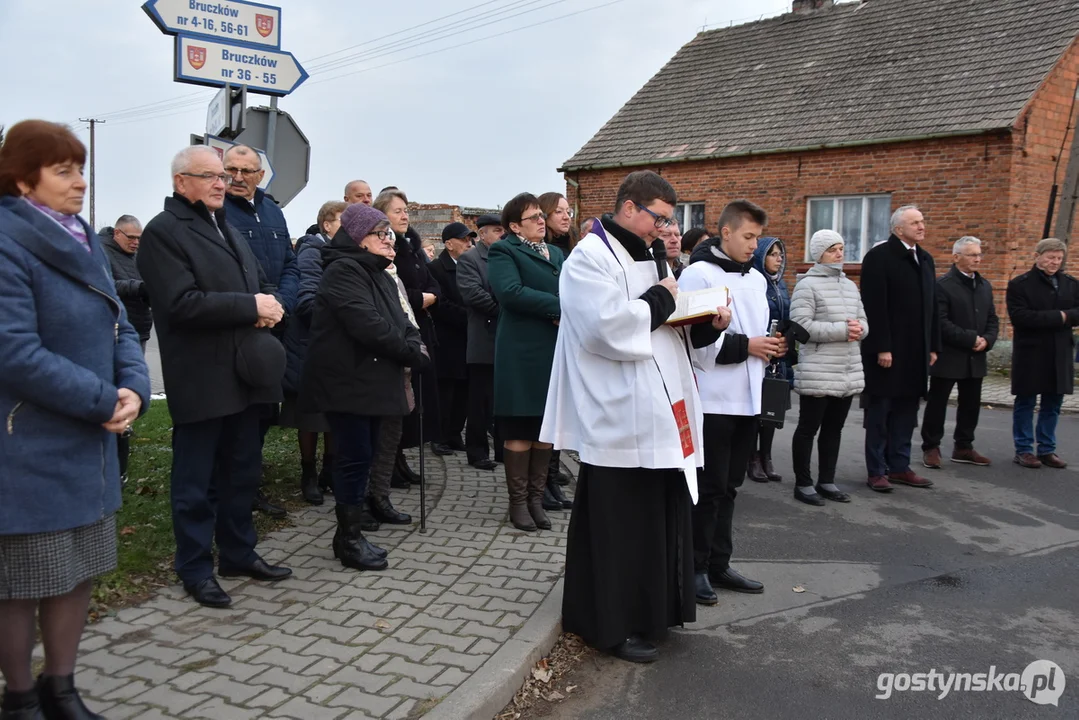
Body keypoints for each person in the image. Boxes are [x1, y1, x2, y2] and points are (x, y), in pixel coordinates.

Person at [543, 170, 730, 663]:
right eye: (660, 219)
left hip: (661, 409)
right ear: (630, 208)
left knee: (656, 519)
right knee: (617, 526)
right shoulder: (590, 257)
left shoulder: (649, 254)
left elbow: (667, 328)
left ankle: (652, 611)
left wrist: (705, 324)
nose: (666, 230)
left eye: (671, 222)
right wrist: (665, 298)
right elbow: (605, 328)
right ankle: (607, 623)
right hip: (619, 413)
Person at [0, 119, 151, 720]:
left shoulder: (83, 237)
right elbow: (13, 351)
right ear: (21, 178)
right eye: (63, 170)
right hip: (28, 443)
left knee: (77, 571)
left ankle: (61, 688)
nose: (79, 182)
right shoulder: (7, 241)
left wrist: (134, 387)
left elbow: (118, 323)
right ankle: (17, 699)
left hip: (90, 441)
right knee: (20, 584)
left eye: (80, 168)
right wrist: (101, 401)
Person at [138, 145, 292, 609]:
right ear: (180, 181)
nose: (221, 183)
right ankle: (195, 568)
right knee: (196, 481)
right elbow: (180, 304)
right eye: (209, 176)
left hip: (244, 372)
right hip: (203, 376)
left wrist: (269, 304)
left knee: (242, 472)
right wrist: (251, 307)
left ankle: (238, 553)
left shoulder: (224, 224)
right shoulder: (164, 232)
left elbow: (257, 281)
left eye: (222, 176)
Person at [301, 203, 428, 569]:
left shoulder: (379, 271)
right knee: (354, 459)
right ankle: (350, 538)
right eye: (381, 233)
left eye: (389, 233)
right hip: (348, 382)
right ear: (360, 238)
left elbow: (402, 318)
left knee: (364, 454)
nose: (390, 240)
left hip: (371, 381)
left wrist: (413, 343)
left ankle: (347, 536)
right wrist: (409, 351)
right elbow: (367, 323)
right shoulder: (343, 271)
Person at [679, 200, 782, 605]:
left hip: (748, 397)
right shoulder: (697, 275)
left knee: (732, 486)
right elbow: (692, 343)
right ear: (725, 232)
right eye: (748, 237)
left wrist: (773, 344)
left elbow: (757, 332)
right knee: (708, 488)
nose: (755, 246)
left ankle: (720, 563)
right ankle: (695, 567)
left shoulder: (756, 279)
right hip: (712, 399)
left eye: (758, 238)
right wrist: (748, 345)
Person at [222, 144, 299, 519]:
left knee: (266, 412)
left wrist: (280, 304)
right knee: (240, 415)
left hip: (276, 323)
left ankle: (251, 487)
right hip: (241, 324)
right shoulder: (217, 210)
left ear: (260, 175)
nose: (237, 178)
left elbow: (290, 263)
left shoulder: (272, 211)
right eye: (231, 170)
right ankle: (233, 491)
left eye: (245, 171)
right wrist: (258, 306)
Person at [489, 193, 565, 531]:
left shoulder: (558, 253)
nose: (540, 221)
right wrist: (557, 305)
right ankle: (517, 503)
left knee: (545, 429)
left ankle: (536, 499)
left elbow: (573, 290)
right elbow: (509, 292)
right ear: (514, 226)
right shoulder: (504, 250)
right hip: (521, 352)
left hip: (552, 349)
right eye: (532, 216)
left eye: (540, 215)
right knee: (520, 427)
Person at [859, 205, 940, 492]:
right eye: (915, 222)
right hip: (888, 351)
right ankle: (877, 470)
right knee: (881, 412)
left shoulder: (925, 259)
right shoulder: (879, 258)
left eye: (922, 221)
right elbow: (874, 306)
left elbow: (933, 307)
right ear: (898, 229)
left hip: (916, 351)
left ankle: (900, 466)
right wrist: (881, 346)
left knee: (907, 411)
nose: (921, 226)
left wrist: (933, 345)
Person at [789, 230, 868, 506]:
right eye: (833, 249)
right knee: (808, 428)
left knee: (834, 429)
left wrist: (860, 329)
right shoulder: (807, 285)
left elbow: (862, 320)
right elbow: (801, 326)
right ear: (819, 253)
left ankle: (827, 480)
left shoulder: (849, 286)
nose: (839, 253)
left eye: (841, 248)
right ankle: (803, 482)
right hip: (819, 368)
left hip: (846, 368)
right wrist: (842, 330)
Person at [374, 190, 442, 482]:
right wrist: (421, 298)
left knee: (415, 402)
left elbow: (433, 284)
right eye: (398, 211)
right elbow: (394, 289)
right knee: (398, 402)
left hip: (420, 330)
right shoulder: (386, 247)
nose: (404, 216)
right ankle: (390, 464)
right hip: (399, 329)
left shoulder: (412, 247)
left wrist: (430, 296)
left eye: (406, 211)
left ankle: (399, 459)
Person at [284, 201, 347, 505]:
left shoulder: (343, 252)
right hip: (308, 345)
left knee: (334, 414)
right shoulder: (312, 250)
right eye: (342, 221)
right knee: (309, 417)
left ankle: (330, 471)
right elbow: (307, 301)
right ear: (326, 225)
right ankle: (308, 473)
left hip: (334, 347)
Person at [921, 236, 998, 469]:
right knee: (938, 403)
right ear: (956, 257)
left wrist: (987, 340)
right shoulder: (943, 286)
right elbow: (941, 322)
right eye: (972, 254)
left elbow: (993, 319)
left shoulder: (984, 285)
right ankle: (931, 446)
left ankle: (964, 446)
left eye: (978, 254)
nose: (977, 258)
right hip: (949, 356)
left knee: (971, 404)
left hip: (976, 356)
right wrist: (970, 338)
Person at [1007, 237, 1079, 469]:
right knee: (1026, 401)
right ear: (1037, 256)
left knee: (1053, 402)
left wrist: (1063, 316)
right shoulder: (1020, 284)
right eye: (1050, 257)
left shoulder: (1070, 283)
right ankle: (1024, 449)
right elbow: (1021, 317)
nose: (1054, 262)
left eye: (1058, 258)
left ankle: (1047, 449)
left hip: (1060, 352)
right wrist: (1060, 317)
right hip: (1031, 352)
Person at [99, 213, 152, 486]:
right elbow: (108, 286)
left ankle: (122, 442)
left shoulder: (136, 256)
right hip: (115, 332)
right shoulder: (101, 252)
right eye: (130, 237)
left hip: (138, 330)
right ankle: (114, 455)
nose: (135, 243)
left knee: (131, 389)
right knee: (116, 392)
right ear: (117, 233)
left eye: (139, 238)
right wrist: (142, 288)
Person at [537, 192, 576, 507]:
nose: (567, 216)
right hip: (545, 335)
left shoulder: (568, 248)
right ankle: (544, 483)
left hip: (566, 335)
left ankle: (552, 478)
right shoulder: (542, 251)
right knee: (545, 415)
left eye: (569, 210)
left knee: (559, 412)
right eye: (560, 211)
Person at [457, 214, 504, 471]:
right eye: (496, 231)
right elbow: (473, 293)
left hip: (506, 340)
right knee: (480, 402)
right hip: (484, 340)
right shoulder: (470, 259)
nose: (501, 236)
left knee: (502, 402)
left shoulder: (506, 258)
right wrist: (505, 309)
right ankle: (477, 452)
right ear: (483, 234)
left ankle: (503, 451)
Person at [746, 236, 792, 482]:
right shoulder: (755, 283)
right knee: (757, 410)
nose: (779, 258)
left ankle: (767, 456)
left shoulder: (780, 284)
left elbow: (787, 316)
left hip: (778, 355)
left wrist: (787, 341)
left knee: (772, 410)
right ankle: (752, 458)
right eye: (773, 254)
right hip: (760, 351)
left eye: (780, 254)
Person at [429, 222, 475, 454]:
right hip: (447, 340)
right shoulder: (436, 269)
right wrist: (470, 317)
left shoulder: (471, 266)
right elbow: (439, 304)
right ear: (449, 244)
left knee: (463, 392)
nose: (469, 243)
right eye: (464, 239)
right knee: (444, 392)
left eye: (470, 239)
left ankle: (455, 434)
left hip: (468, 340)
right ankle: (439, 436)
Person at [539, 191, 575, 256]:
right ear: (544, 215)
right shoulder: (538, 248)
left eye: (568, 212)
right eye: (559, 212)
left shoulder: (574, 242)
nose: (566, 217)